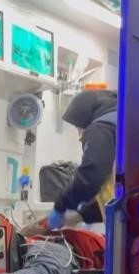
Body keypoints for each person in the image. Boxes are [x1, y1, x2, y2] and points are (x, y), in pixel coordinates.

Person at [48, 90, 118, 229]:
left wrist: (60, 205)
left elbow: (89, 179)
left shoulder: (101, 127)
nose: (79, 136)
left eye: (77, 127)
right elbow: (115, 200)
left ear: (84, 117)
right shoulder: (118, 120)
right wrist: (81, 215)